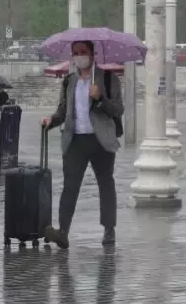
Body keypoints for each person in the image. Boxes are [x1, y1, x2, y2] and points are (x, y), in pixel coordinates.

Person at [41, 40, 124, 249]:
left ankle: (109, 229)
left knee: (106, 184)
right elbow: (63, 112)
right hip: (75, 140)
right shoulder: (69, 81)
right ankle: (63, 232)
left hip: (101, 140)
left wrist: (100, 98)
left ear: (92, 54)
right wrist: (51, 121)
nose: (79, 56)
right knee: (70, 186)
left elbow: (117, 110)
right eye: (76, 52)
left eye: (83, 52)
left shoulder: (107, 78)